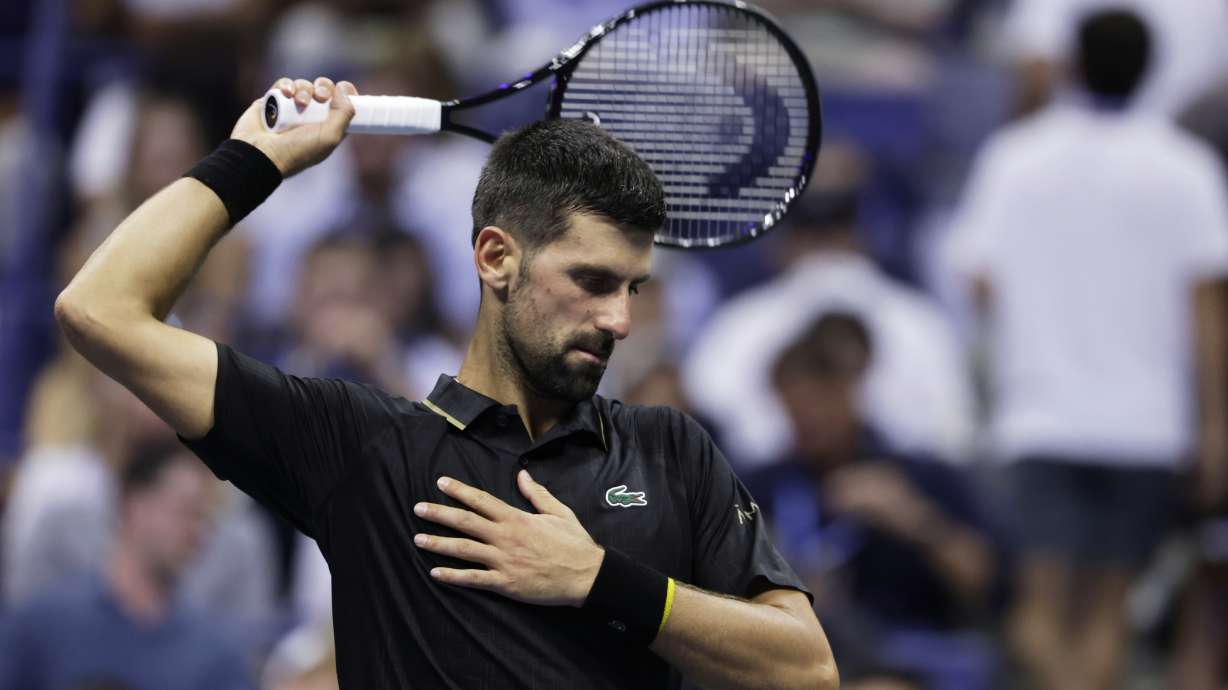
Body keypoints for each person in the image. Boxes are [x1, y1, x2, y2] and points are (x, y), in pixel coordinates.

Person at [54, 77, 838, 690]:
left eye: (631, 287)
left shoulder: (670, 448)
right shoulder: (358, 444)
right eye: (592, 281)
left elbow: (806, 667)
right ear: (496, 258)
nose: (619, 320)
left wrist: (599, 580)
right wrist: (254, 160)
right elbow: (99, 310)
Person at [947, 10, 1228, 690]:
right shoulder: (1186, 169)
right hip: (1145, 426)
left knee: (1039, 613)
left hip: (1043, 413)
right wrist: (1215, 430)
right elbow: (1206, 311)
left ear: (1071, 63)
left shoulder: (1016, 158)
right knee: (1107, 617)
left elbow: (979, 282)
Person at [746, 313, 1002, 690]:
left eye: (816, 403)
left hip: (915, 654)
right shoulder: (762, 486)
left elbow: (987, 582)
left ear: (847, 390)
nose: (805, 421)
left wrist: (912, 518)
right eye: (793, 408)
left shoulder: (922, 475)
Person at [0, 441, 254, 690]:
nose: (198, 530)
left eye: (203, 516)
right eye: (186, 511)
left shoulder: (215, 653)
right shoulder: (46, 624)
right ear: (133, 503)